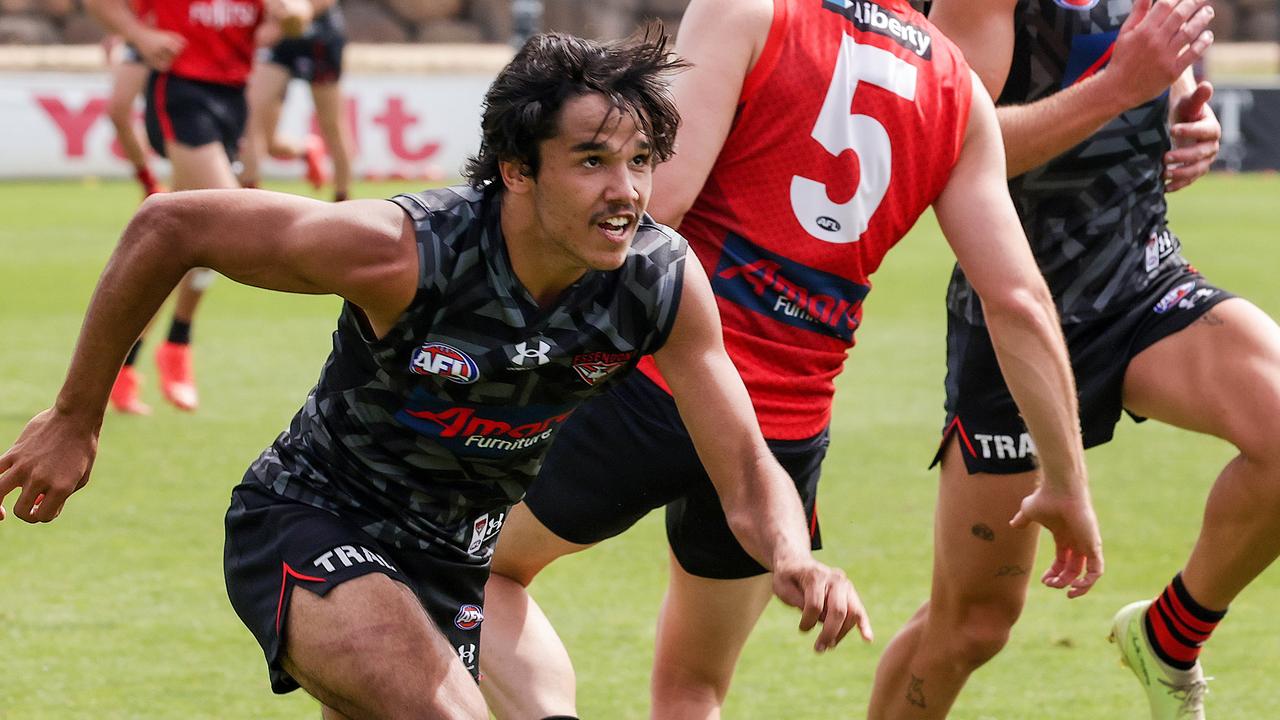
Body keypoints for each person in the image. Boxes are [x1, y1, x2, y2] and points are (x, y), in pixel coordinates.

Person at [0, 31, 864, 717]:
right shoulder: (405, 251)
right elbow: (169, 226)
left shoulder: (659, 283)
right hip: (310, 523)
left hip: (457, 565)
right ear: (518, 170)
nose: (628, 191)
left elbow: (749, 468)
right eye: (594, 160)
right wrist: (76, 416)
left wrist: (793, 556)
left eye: (641, 161)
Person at [478, 1, 1102, 718]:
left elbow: (663, 201)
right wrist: (1066, 480)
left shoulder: (749, 10)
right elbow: (1018, 300)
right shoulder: (959, 90)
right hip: (785, 431)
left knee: (466, 570)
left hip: (651, 382)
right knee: (695, 686)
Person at [867, 1, 1279, 719]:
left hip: (1144, 286)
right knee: (972, 625)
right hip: (1016, 320)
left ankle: (1169, 638)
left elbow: (1159, 70)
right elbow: (952, 142)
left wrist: (1185, 114)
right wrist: (1122, 85)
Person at [87, 0, 319, 415]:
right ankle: (177, 345)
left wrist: (290, 14)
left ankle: (129, 365)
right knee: (230, 219)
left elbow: (298, 21)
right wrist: (141, 36)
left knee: (183, 247)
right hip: (180, 92)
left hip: (232, 100)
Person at [240, 3, 354, 202]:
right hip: (281, 35)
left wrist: (296, 13)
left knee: (332, 125)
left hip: (319, 37)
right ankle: (247, 200)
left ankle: (342, 198)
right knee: (251, 114)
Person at [103, 28, 165, 199]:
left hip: (183, 37)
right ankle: (150, 185)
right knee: (118, 110)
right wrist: (120, 28)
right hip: (143, 38)